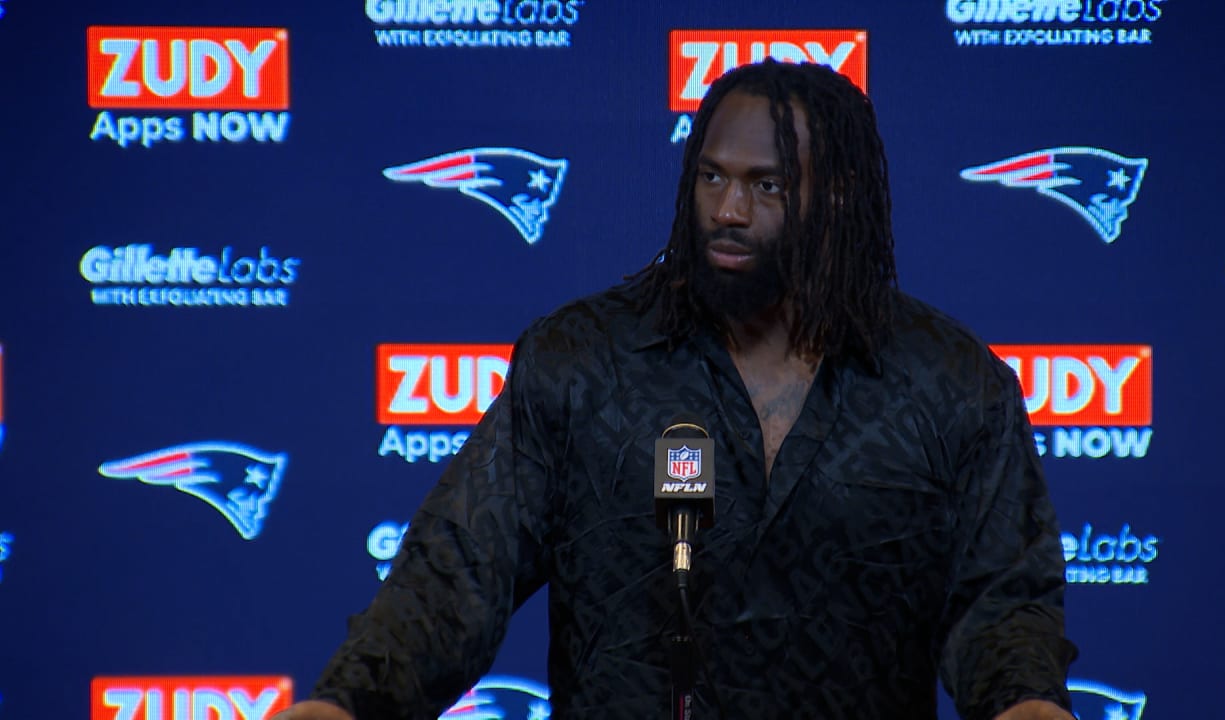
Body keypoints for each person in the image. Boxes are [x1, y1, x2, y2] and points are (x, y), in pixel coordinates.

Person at [274, 60, 1077, 720]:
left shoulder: (949, 380)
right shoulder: (584, 359)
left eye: (768, 186)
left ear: (840, 197)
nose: (729, 210)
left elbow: (1002, 600)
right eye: (712, 178)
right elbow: (459, 569)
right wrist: (350, 701)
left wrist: (1027, 702)